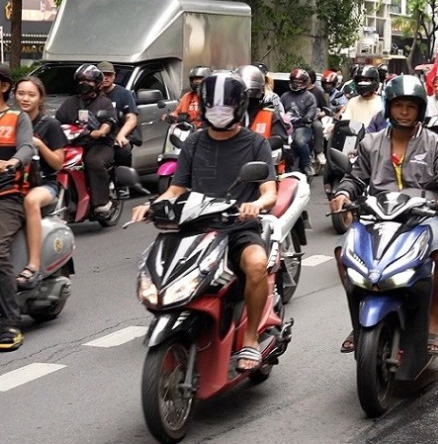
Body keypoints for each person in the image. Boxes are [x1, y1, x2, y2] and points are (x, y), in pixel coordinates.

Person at [130, 72, 277, 371]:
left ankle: (249, 339)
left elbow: (269, 192)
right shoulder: (194, 143)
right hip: (196, 227)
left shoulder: (255, 144)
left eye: (225, 108)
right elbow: (175, 189)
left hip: (238, 228)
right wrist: (151, 205)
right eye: (213, 108)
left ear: (238, 107)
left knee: (257, 264)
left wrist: (255, 205)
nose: (219, 114)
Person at [329, 75, 438, 355]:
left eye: (410, 107)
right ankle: (358, 321)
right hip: (378, 212)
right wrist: (343, 194)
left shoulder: (434, 144)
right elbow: (355, 177)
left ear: (419, 110)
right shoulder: (370, 143)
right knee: (345, 257)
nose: (404, 111)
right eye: (399, 105)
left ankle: (433, 320)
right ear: (389, 107)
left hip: (423, 213)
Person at [14, 77, 68, 290]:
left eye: (31, 94)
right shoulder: (10, 121)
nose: (25, 98)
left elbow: (58, 163)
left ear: (40, 98)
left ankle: (33, 265)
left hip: (43, 185)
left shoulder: (50, 125)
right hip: (13, 183)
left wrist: (38, 144)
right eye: (21, 93)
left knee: (31, 201)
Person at [0, 65, 35, 351]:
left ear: (3, 86)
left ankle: (10, 322)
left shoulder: (17, 118)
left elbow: (26, 148)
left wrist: (13, 163)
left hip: (7, 196)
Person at [55, 64, 117, 217]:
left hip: (99, 145)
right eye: (81, 80)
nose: (84, 84)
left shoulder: (105, 103)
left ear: (97, 84)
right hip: (74, 144)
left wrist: (101, 131)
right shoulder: (70, 103)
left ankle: (101, 202)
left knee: (93, 162)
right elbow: (57, 121)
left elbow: (109, 122)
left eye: (88, 81)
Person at [97, 61, 138, 198]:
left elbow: (131, 118)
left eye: (109, 75)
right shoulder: (91, 94)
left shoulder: (124, 94)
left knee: (123, 150)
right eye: (102, 75)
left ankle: (123, 184)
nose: (105, 78)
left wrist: (121, 135)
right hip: (96, 136)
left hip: (117, 135)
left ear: (114, 76)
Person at [236, 65, 289, 151]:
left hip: (263, 160)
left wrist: (261, 146)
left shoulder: (271, 115)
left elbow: (281, 139)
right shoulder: (228, 116)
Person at [280, 68, 317, 176]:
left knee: (299, 141)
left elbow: (312, 110)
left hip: (302, 127)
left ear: (305, 83)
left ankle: (307, 164)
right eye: (294, 81)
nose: (296, 84)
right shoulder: (284, 96)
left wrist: (307, 117)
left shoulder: (309, 97)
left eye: (299, 82)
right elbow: (278, 110)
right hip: (285, 128)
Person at [306, 69, 329, 167]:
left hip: (313, 119)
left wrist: (319, 114)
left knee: (318, 126)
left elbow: (326, 109)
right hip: (298, 120)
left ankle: (319, 151)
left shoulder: (318, 92)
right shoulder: (297, 92)